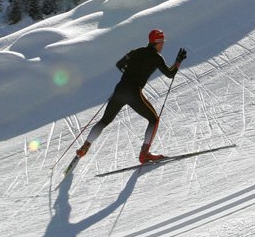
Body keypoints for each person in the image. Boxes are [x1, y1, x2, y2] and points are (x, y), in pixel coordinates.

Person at [75, 28, 186, 164]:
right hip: (133, 93)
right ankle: (144, 154)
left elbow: (119, 65)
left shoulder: (137, 51)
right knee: (154, 120)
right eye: (162, 42)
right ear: (158, 42)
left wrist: (129, 73)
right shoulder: (157, 57)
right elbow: (170, 74)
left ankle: (85, 147)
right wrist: (178, 61)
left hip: (120, 89)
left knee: (104, 120)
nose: (163, 44)